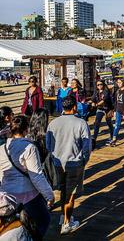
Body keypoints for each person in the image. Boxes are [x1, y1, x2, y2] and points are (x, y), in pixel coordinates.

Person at [0, 115, 54, 238]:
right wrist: (49, 195)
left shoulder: (2, 148)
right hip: (28, 196)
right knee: (43, 221)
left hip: (7, 197)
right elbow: (36, 176)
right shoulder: (29, 147)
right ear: (26, 130)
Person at [46, 96, 91, 235]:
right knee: (71, 195)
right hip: (75, 163)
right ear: (74, 107)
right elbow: (87, 146)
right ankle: (67, 223)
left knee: (63, 191)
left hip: (58, 162)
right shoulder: (81, 123)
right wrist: (84, 160)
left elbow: (48, 145)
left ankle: (62, 216)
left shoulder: (53, 123)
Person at [89, 80, 114, 148]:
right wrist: (91, 102)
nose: (99, 86)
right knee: (97, 123)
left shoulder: (106, 91)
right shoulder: (96, 92)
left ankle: (112, 137)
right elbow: (93, 99)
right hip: (100, 109)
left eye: (101, 84)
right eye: (98, 85)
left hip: (108, 109)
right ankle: (94, 138)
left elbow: (104, 100)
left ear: (103, 84)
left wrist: (96, 104)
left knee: (109, 123)